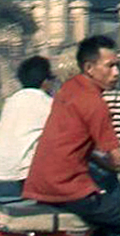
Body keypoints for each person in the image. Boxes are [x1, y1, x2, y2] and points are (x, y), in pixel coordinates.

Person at [24, 35, 120, 226]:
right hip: (68, 190)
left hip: (41, 186)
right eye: (110, 66)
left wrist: (101, 161)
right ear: (89, 68)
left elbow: (75, 145)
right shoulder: (94, 104)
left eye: (117, 66)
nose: (116, 72)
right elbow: (118, 160)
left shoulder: (69, 89)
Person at [0, 56, 55, 186]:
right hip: (18, 177)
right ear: (45, 82)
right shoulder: (46, 103)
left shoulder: (11, 101)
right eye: (52, 80)